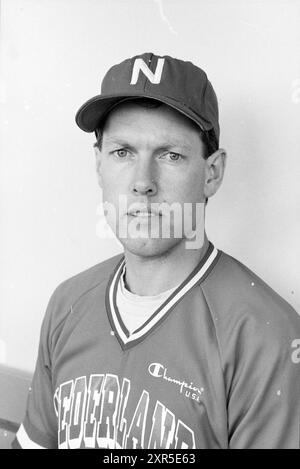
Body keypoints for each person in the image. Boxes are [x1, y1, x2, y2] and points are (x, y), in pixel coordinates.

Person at [13, 52, 300, 449]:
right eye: (123, 152)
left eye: (171, 155)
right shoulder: (68, 303)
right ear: (99, 165)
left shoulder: (265, 337)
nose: (142, 183)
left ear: (212, 173)